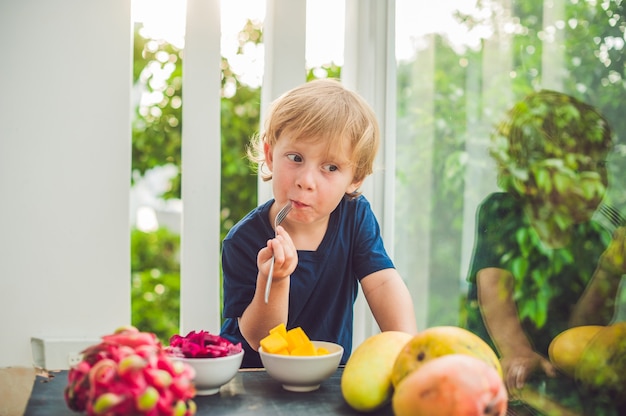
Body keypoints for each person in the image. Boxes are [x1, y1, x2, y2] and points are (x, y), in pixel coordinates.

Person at [220, 79, 418, 368]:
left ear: (356, 178)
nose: (306, 181)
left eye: (331, 167)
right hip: (254, 381)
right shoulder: (244, 240)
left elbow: (383, 282)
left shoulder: (354, 216)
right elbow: (259, 338)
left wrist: (412, 352)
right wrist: (274, 280)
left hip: (328, 377)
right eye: (296, 158)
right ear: (270, 155)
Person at [465, 90, 626, 395]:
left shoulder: (596, 237)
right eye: (579, 169)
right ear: (533, 174)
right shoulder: (502, 212)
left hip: (558, 383)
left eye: (601, 165)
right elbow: (494, 289)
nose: (597, 183)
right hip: (494, 375)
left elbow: (581, 332)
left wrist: (611, 268)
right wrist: (518, 351)